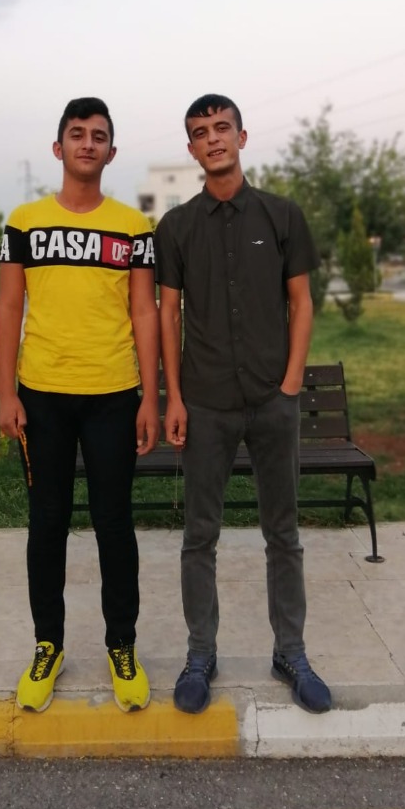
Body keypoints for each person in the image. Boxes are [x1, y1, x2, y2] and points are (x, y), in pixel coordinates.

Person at [154, 94, 332, 716]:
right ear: (192, 148)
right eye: (200, 132)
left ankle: (292, 653)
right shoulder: (176, 226)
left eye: (222, 127)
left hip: (272, 401)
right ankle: (200, 654)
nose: (213, 138)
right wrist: (175, 397)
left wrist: (291, 385)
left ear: (242, 136)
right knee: (198, 536)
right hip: (205, 405)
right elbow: (168, 314)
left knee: (283, 534)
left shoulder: (282, 216)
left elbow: (301, 302)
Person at [0, 96, 160, 714]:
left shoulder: (134, 227)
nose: (87, 143)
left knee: (115, 525)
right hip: (42, 397)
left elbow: (144, 310)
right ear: (58, 147)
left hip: (114, 395)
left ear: (111, 152)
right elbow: (9, 306)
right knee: (47, 524)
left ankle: (122, 645)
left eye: (98, 136)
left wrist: (150, 396)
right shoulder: (24, 222)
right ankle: (49, 644)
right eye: (77, 133)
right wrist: (5, 392)